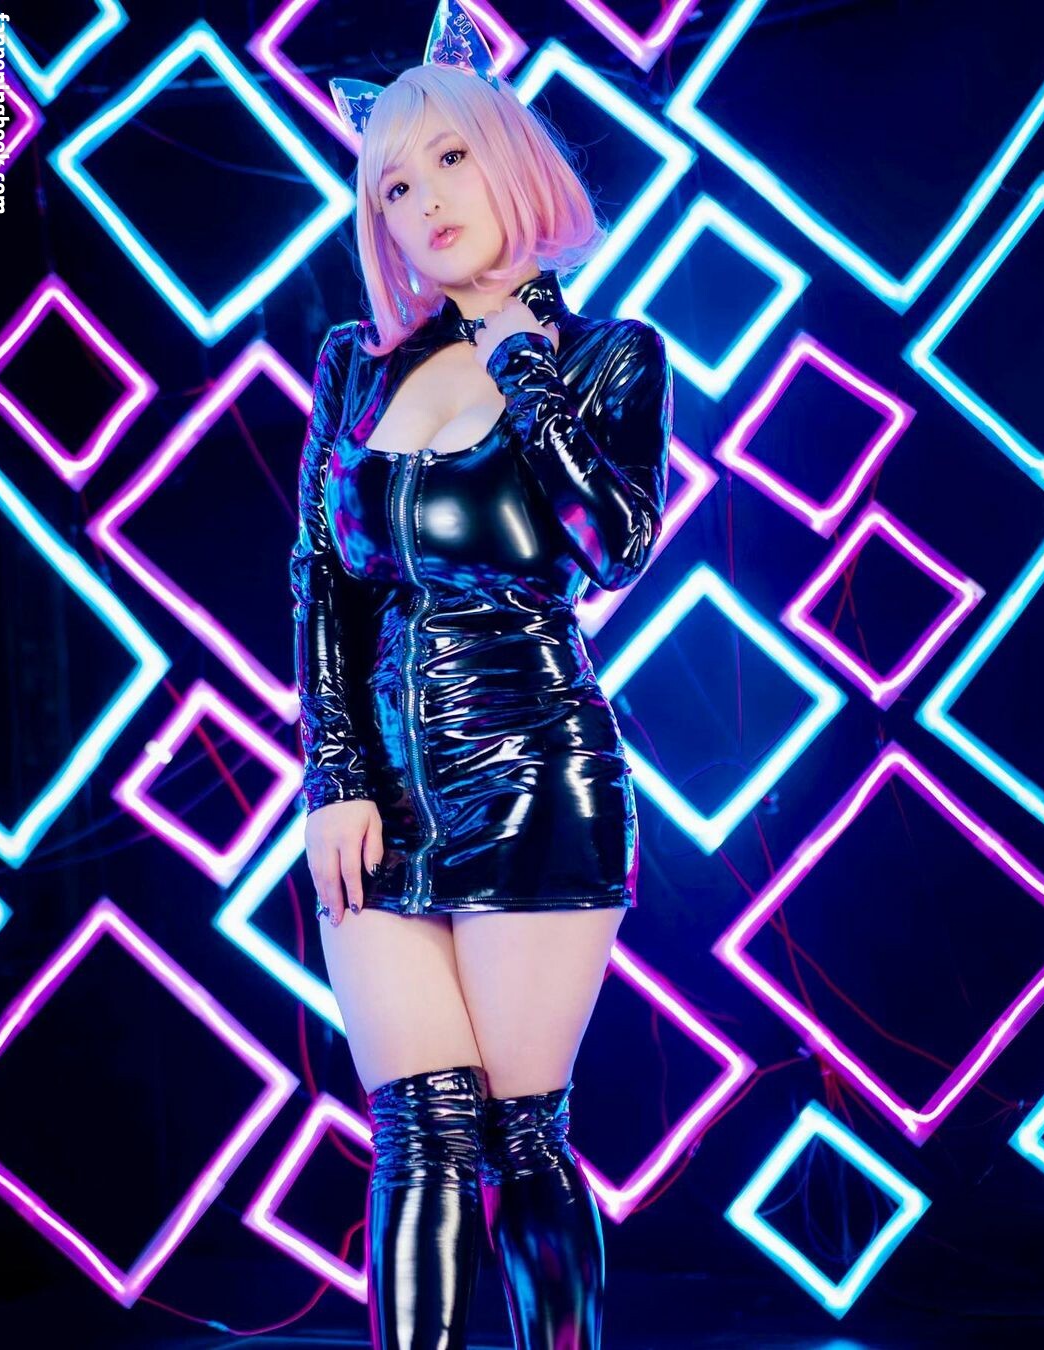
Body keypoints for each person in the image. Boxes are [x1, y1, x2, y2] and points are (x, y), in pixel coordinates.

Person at [291, 9, 673, 1346]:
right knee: (419, 1131)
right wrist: (333, 774)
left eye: (449, 161)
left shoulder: (612, 356)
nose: (424, 203)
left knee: (519, 1140)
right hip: (379, 799)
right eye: (394, 186)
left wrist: (523, 361)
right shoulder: (354, 368)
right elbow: (323, 582)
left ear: (509, 160)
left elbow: (613, 548)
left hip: (537, 780)